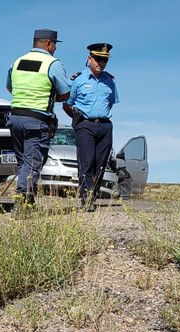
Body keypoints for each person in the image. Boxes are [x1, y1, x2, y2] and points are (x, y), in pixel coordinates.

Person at [6, 29, 71, 206]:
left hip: (15, 118)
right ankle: (22, 203)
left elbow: (10, 88)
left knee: (23, 162)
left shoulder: (17, 62)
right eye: (55, 44)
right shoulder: (53, 63)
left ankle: (29, 199)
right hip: (36, 120)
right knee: (33, 162)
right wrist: (51, 96)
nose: (55, 48)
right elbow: (65, 94)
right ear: (49, 44)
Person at [63, 43, 119, 210]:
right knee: (86, 163)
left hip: (105, 126)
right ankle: (86, 198)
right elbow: (67, 104)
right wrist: (77, 120)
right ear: (89, 59)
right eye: (98, 59)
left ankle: (93, 196)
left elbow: (110, 103)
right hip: (85, 125)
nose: (101, 63)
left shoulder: (110, 81)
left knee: (101, 164)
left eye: (104, 60)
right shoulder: (78, 80)